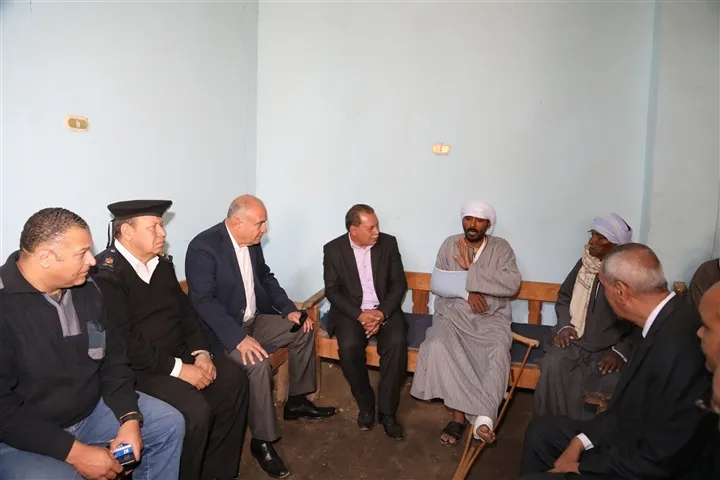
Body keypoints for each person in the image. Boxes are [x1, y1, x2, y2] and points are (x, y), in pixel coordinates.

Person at [0, 207, 184, 479]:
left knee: (169, 423)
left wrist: (129, 417)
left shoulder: (88, 291)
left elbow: (112, 359)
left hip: (89, 411)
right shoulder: (6, 307)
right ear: (45, 257)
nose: (92, 261)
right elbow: (4, 411)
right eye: (82, 253)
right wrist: (76, 453)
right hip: (22, 433)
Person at [518, 243, 713, 480]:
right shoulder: (665, 319)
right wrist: (580, 442)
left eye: (604, 288)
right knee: (541, 432)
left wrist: (582, 467)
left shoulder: (678, 344)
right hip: (627, 436)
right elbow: (626, 410)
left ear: (620, 291)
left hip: (640, 462)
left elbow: (661, 456)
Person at [93, 200, 249, 480]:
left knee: (233, 379)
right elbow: (126, 342)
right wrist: (180, 370)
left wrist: (201, 354)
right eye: (153, 227)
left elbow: (186, 314)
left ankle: (217, 472)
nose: (162, 233)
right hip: (140, 369)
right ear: (127, 232)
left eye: (162, 225)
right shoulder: (107, 275)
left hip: (178, 355)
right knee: (194, 411)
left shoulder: (162, 265)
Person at [185, 194, 336, 479]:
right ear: (236, 222)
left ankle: (297, 401)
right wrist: (237, 338)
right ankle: (262, 440)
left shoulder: (251, 243)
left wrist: (289, 309)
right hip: (221, 331)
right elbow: (203, 301)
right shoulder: (203, 247)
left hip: (253, 319)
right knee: (257, 363)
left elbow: (265, 277)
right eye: (260, 223)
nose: (264, 229)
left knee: (303, 329)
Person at [410, 201, 522, 446]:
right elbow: (438, 284)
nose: (472, 224)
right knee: (437, 345)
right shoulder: (450, 244)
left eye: (479, 220)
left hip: (490, 317)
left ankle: (482, 419)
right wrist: (467, 293)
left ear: (488, 224)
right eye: (468, 219)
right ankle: (464, 418)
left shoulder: (501, 248)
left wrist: (471, 270)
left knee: (497, 352)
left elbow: (512, 284)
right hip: (453, 314)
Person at [534, 213, 639, 420]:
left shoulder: (629, 277)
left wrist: (620, 353)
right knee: (554, 365)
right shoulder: (584, 265)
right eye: (593, 234)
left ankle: (584, 435)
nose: (592, 241)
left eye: (601, 238)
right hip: (574, 340)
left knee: (609, 380)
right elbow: (564, 297)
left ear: (617, 246)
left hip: (608, 348)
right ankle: (549, 428)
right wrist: (565, 326)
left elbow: (639, 321)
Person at [323, 204, 408, 439]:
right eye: (371, 228)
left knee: (397, 343)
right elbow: (333, 291)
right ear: (353, 229)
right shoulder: (333, 249)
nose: (377, 231)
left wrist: (381, 314)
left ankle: (388, 412)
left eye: (377, 225)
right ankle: (366, 404)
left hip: (384, 309)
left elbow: (399, 283)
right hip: (352, 312)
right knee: (349, 346)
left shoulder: (388, 244)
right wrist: (360, 315)